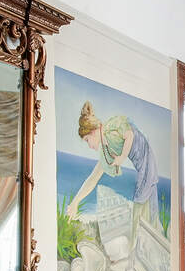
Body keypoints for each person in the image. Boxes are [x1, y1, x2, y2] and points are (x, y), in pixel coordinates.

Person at [66, 100, 161, 258]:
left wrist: (122, 157)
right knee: (141, 207)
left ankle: (140, 253)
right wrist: (75, 202)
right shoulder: (106, 150)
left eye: (87, 140)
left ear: (94, 131)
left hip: (146, 161)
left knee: (140, 207)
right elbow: (93, 178)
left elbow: (129, 134)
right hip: (142, 167)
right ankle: (138, 252)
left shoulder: (110, 127)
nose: (89, 146)